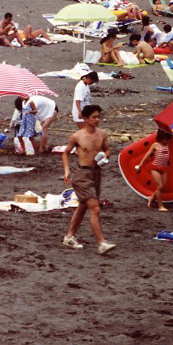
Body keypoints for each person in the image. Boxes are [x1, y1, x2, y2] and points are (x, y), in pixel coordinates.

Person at [61, 105, 116, 254]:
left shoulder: (102, 134)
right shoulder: (77, 136)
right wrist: (67, 171)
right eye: (94, 117)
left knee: (83, 206)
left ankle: (69, 237)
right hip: (82, 174)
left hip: (96, 173)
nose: (97, 120)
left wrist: (105, 156)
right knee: (95, 207)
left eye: (98, 116)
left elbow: (107, 150)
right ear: (85, 119)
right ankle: (101, 243)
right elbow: (65, 153)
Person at [136, 129, 173, 211]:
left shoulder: (167, 144)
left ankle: (151, 197)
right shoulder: (155, 145)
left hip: (164, 168)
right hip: (155, 168)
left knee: (163, 187)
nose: (168, 141)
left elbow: (172, 132)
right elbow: (147, 156)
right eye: (166, 139)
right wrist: (140, 165)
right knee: (159, 186)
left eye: (169, 139)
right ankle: (160, 206)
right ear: (161, 138)